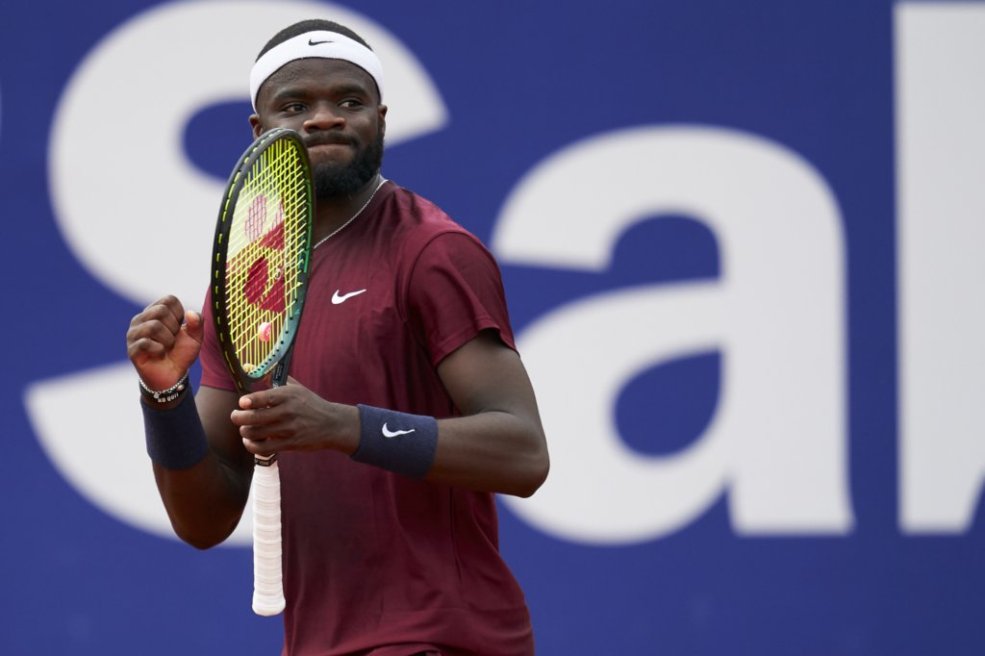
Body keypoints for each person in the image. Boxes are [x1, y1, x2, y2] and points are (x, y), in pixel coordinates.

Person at [125, 18, 549, 656]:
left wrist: (341, 426)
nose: (324, 118)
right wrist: (165, 398)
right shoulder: (246, 283)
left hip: (440, 639)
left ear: (380, 118)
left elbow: (522, 452)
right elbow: (205, 519)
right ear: (258, 129)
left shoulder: (432, 251)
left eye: (349, 102)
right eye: (295, 106)